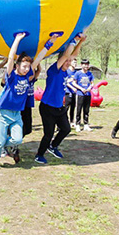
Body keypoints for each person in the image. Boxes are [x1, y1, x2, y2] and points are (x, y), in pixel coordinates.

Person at [0, 33, 53, 169]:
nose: (26, 69)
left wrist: (50, 43)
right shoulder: (11, 76)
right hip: (3, 113)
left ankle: (2, 144)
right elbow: (10, 57)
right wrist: (17, 39)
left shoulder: (27, 77)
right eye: (23, 66)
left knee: (17, 139)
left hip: (16, 115)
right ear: (17, 66)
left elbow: (38, 59)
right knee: (1, 141)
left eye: (28, 67)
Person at [35, 34, 86, 164]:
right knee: (48, 133)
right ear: (61, 60)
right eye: (66, 61)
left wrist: (80, 42)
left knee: (66, 129)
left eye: (70, 61)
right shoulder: (54, 70)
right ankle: (39, 155)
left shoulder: (66, 71)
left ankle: (53, 146)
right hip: (47, 107)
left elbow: (73, 55)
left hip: (59, 107)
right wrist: (74, 41)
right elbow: (66, 55)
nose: (69, 62)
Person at [72, 59, 94, 132]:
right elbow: (74, 83)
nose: (86, 66)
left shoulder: (90, 74)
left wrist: (89, 88)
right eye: (84, 64)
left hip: (88, 94)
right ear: (81, 65)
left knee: (86, 109)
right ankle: (77, 124)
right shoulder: (78, 73)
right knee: (79, 109)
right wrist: (81, 88)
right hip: (80, 94)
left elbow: (92, 83)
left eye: (87, 64)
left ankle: (86, 124)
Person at [22, 65, 42, 137]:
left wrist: (37, 60)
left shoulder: (32, 81)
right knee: (22, 127)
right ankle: (12, 144)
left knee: (28, 129)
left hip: (28, 106)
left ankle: (15, 143)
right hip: (22, 106)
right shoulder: (24, 80)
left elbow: (39, 70)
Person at [63, 59, 78, 128]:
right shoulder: (67, 72)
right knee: (66, 108)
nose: (75, 64)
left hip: (74, 93)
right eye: (74, 62)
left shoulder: (76, 72)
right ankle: (64, 121)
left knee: (73, 107)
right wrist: (72, 88)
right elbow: (66, 82)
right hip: (68, 92)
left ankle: (72, 121)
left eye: (76, 63)